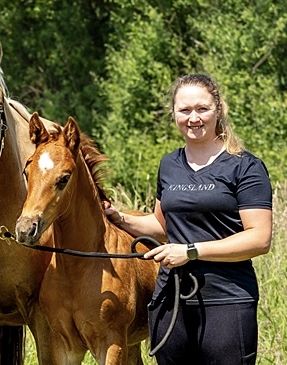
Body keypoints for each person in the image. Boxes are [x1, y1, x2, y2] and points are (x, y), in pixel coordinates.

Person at [104, 73, 273, 364]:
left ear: (218, 109)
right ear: (174, 114)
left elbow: (259, 238)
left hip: (227, 301)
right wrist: (118, 217)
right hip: (171, 302)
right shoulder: (169, 164)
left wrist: (191, 251)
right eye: (184, 110)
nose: (193, 118)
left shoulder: (245, 166)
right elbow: (161, 226)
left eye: (202, 109)